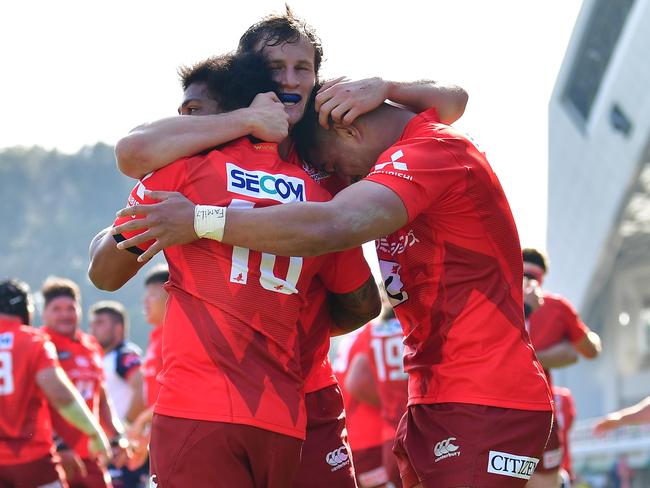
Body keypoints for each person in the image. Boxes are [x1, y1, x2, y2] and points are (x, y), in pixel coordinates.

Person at [115, 79, 556, 487]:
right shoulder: (405, 151)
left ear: (350, 131)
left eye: (328, 163)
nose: (338, 178)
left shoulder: (432, 151)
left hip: (489, 395)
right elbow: (452, 100)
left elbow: (335, 223)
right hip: (433, 398)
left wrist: (200, 220)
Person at [89, 51, 378, 487]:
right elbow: (361, 304)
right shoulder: (319, 193)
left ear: (235, 113)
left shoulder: (184, 171)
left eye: (192, 114)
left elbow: (105, 274)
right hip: (281, 416)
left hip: (198, 409)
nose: (181, 124)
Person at [0, 278, 111, 488]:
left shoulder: (90, 345)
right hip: (33, 459)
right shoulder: (33, 341)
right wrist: (93, 432)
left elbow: (102, 396)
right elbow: (59, 394)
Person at [522, 248, 602, 487]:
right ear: (543, 276)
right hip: (538, 413)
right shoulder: (556, 307)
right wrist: (561, 351)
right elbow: (591, 349)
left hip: (489, 410)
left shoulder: (488, 302)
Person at [40, 277, 126, 488]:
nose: (65, 314)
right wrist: (59, 446)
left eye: (70, 308)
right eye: (56, 309)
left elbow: (101, 397)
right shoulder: (39, 344)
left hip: (90, 453)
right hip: (51, 456)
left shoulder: (91, 345)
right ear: (44, 313)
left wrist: (116, 436)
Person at [345, 299, 408, 488]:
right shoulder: (411, 325)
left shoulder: (371, 331)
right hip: (387, 433)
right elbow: (356, 382)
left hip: (385, 435)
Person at [89, 300, 147, 487]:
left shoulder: (124, 354)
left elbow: (142, 386)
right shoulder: (101, 358)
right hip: (110, 449)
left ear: (118, 328)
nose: (93, 329)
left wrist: (128, 427)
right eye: (92, 324)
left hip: (124, 451)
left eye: (100, 323)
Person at [333, 326, 388, 488]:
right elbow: (357, 383)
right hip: (372, 439)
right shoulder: (376, 330)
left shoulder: (355, 333)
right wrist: (396, 406)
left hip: (354, 438)